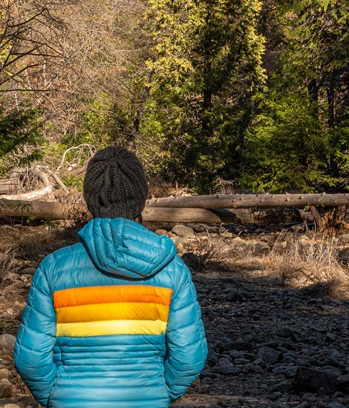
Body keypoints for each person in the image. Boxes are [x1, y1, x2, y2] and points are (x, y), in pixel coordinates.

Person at [14, 146, 207, 408]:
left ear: (90, 197)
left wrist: (57, 396)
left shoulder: (53, 268)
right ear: (140, 198)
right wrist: (161, 393)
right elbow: (188, 357)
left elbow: (31, 360)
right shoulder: (172, 269)